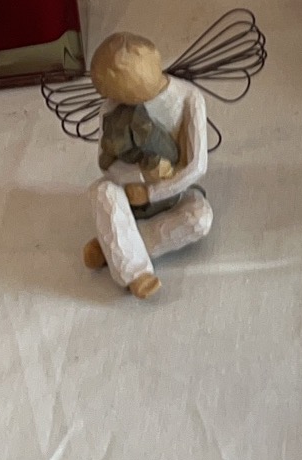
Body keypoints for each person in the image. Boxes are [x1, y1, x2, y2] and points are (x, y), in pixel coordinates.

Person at [83, 32, 212, 298]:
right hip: (130, 195)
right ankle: (137, 273)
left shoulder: (189, 98)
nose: (116, 102)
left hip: (174, 193)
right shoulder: (111, 108)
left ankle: (115, 247)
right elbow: (105, 164)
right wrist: (136, 178)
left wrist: (152, 191)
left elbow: (197, 166)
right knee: (101, 191)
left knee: (200, 219)